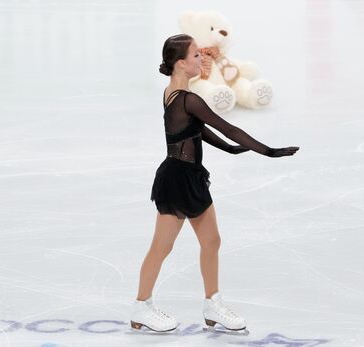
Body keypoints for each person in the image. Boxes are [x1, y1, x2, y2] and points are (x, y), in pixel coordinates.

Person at [130, 34, 300, 333]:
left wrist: (229, 149)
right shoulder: (188, 98)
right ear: (180, 63)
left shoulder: (175, 92)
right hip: (177, 180)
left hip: (191, 177)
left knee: (211, 241)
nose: (201, 59)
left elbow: (194, 131)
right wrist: (268, 151)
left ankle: (213, 304)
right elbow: (227, 126)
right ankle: (141, 306)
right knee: (162, 246)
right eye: (195, 55)